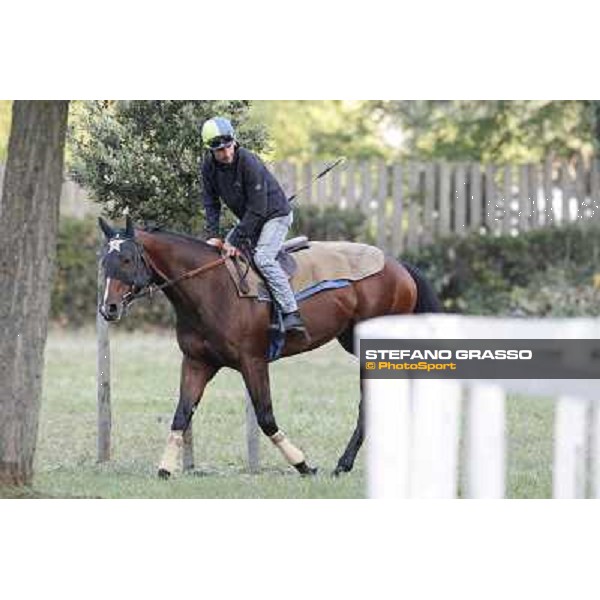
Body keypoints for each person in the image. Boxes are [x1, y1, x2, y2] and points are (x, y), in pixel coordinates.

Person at [200, 116, 306, 334]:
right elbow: (211, 203)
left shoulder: (249, 161)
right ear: (210, 150)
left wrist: (233, 239)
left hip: (275, 215)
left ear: (234, 141)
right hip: (251, 220)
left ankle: (291, 314)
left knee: (263, 259)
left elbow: (258, 209)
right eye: (220, 150)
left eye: (228, 146)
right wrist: (213, 234)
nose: (227, 153)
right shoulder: (208, 167)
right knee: (223, 257)